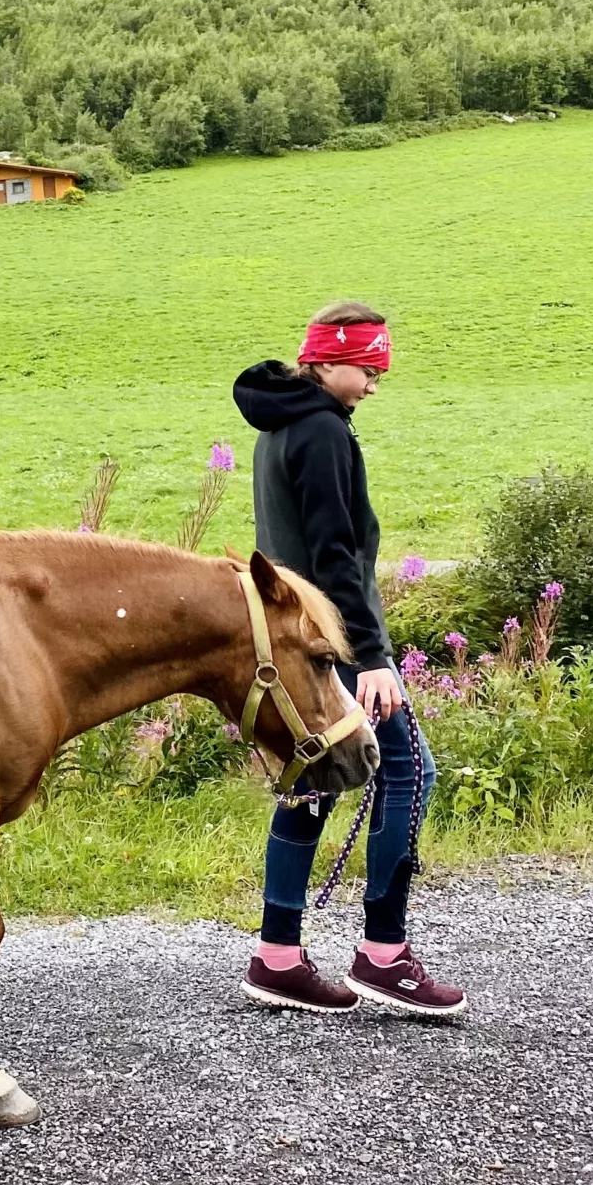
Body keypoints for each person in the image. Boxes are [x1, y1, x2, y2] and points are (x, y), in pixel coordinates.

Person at [230, 301, 465, 1020]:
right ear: (327, 361)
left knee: (314, 779)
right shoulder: (324, 431)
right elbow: (335, 555)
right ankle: (384, 955)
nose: (373, 384)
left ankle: (277, 956)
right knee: (409, 771)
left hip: (290, 637)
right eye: (368, 369)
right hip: (333, 643)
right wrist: (372, 658)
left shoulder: (281, 424)